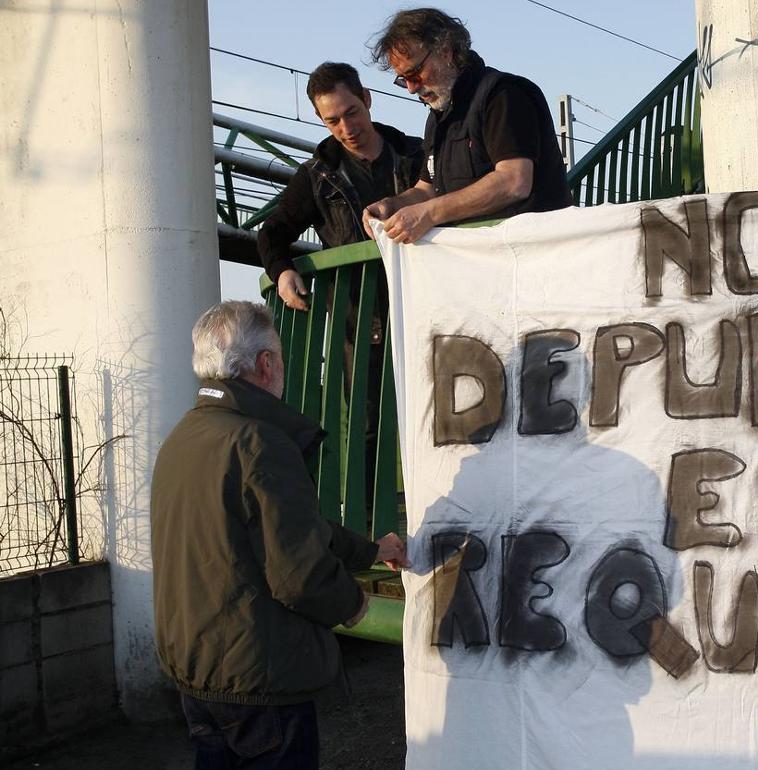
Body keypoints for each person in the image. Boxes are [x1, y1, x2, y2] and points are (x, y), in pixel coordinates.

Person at [151, 300, 409, 769]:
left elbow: (286, 528)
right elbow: (298, 573)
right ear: (266, 364)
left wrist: (371, 549)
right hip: (258, 677)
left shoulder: (184, 436)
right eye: (282, 357)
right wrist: (352, 604)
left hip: (196, 669)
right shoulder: (258, 441)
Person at [363, 8, 573, 244]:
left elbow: (514, 181)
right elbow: (428, 188)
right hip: (485, 258)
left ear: (445, 51)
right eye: (403, 79)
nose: (411, 88)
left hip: (534, 250)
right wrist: (392, 205)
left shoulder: (502, 95)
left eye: (415, 73)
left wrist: (430, 213)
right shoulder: (438, 117)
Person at [258, 61, 424, 310]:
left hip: (424, 309)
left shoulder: (419, 154)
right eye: (333, 120)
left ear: (366, 98)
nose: (346, 128)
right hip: (361, 331)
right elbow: (272, 232)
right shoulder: (315, 176)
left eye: (351, 113)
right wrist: (282, 272)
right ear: (319, 117)